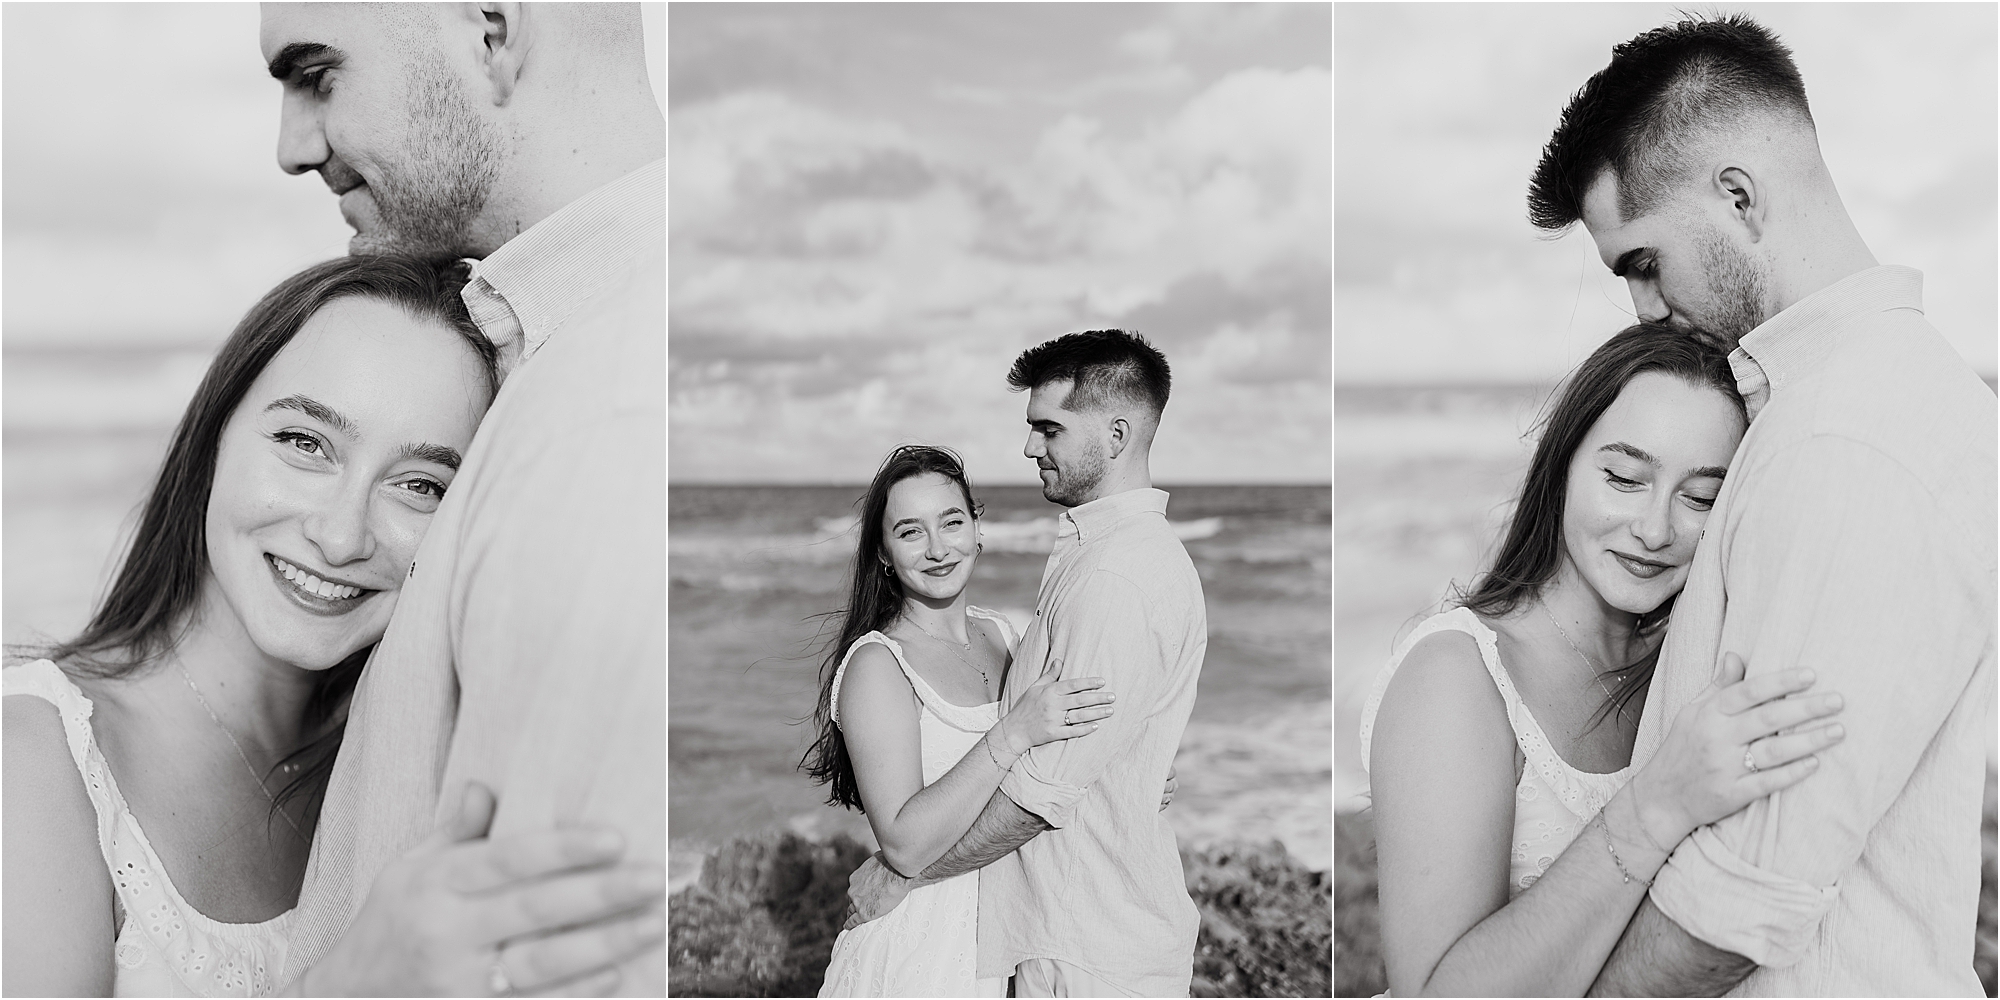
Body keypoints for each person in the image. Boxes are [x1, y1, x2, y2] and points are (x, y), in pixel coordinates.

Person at [3, 256, 662, 997]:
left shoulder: (409, 761)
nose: (342, 535)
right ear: (214, 436)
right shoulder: (30, 761)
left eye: (420, 485)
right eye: (305, 443)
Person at [1527, 14, 1997, 995]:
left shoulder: (1845, 440)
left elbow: (1735, 907)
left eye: (1641, 263)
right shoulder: (1837, 407)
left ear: (1736, 197)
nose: (1642, 311)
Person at [256, 4, 668, 994]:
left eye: (317, 73)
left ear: (491, 28)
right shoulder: (552, 366)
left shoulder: (607, 414)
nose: (290, 146)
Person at [1361, 323, 1850, 995]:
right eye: (1624, 478)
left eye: (1702, 497)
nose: (1654, 530)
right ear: (1561, 465)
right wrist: (1656, 805)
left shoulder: (1704, 656)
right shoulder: (1458, 678)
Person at [844, 330, 1206, 997]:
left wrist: (906, 872)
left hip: (1084, 948)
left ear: (1117, 435)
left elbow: (1040, 796)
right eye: (909, 531)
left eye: (1049, 428)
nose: (1029, 447)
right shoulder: (1095, 562)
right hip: (1000, 941)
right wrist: (1126, 768)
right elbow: (1065, 750)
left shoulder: (1113, 579)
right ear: (883, 552)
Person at [805, 445, 1122, 998]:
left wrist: (1124, 771)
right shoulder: (878, 665)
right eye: (910, 532)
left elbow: (1050, 764)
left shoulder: (1002, 634)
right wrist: (1010, 734)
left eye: (951, 522)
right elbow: (903, 844)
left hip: (1004, 934)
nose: (937, 549)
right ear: (883, 552)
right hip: (917, 946)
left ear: (979, 527)